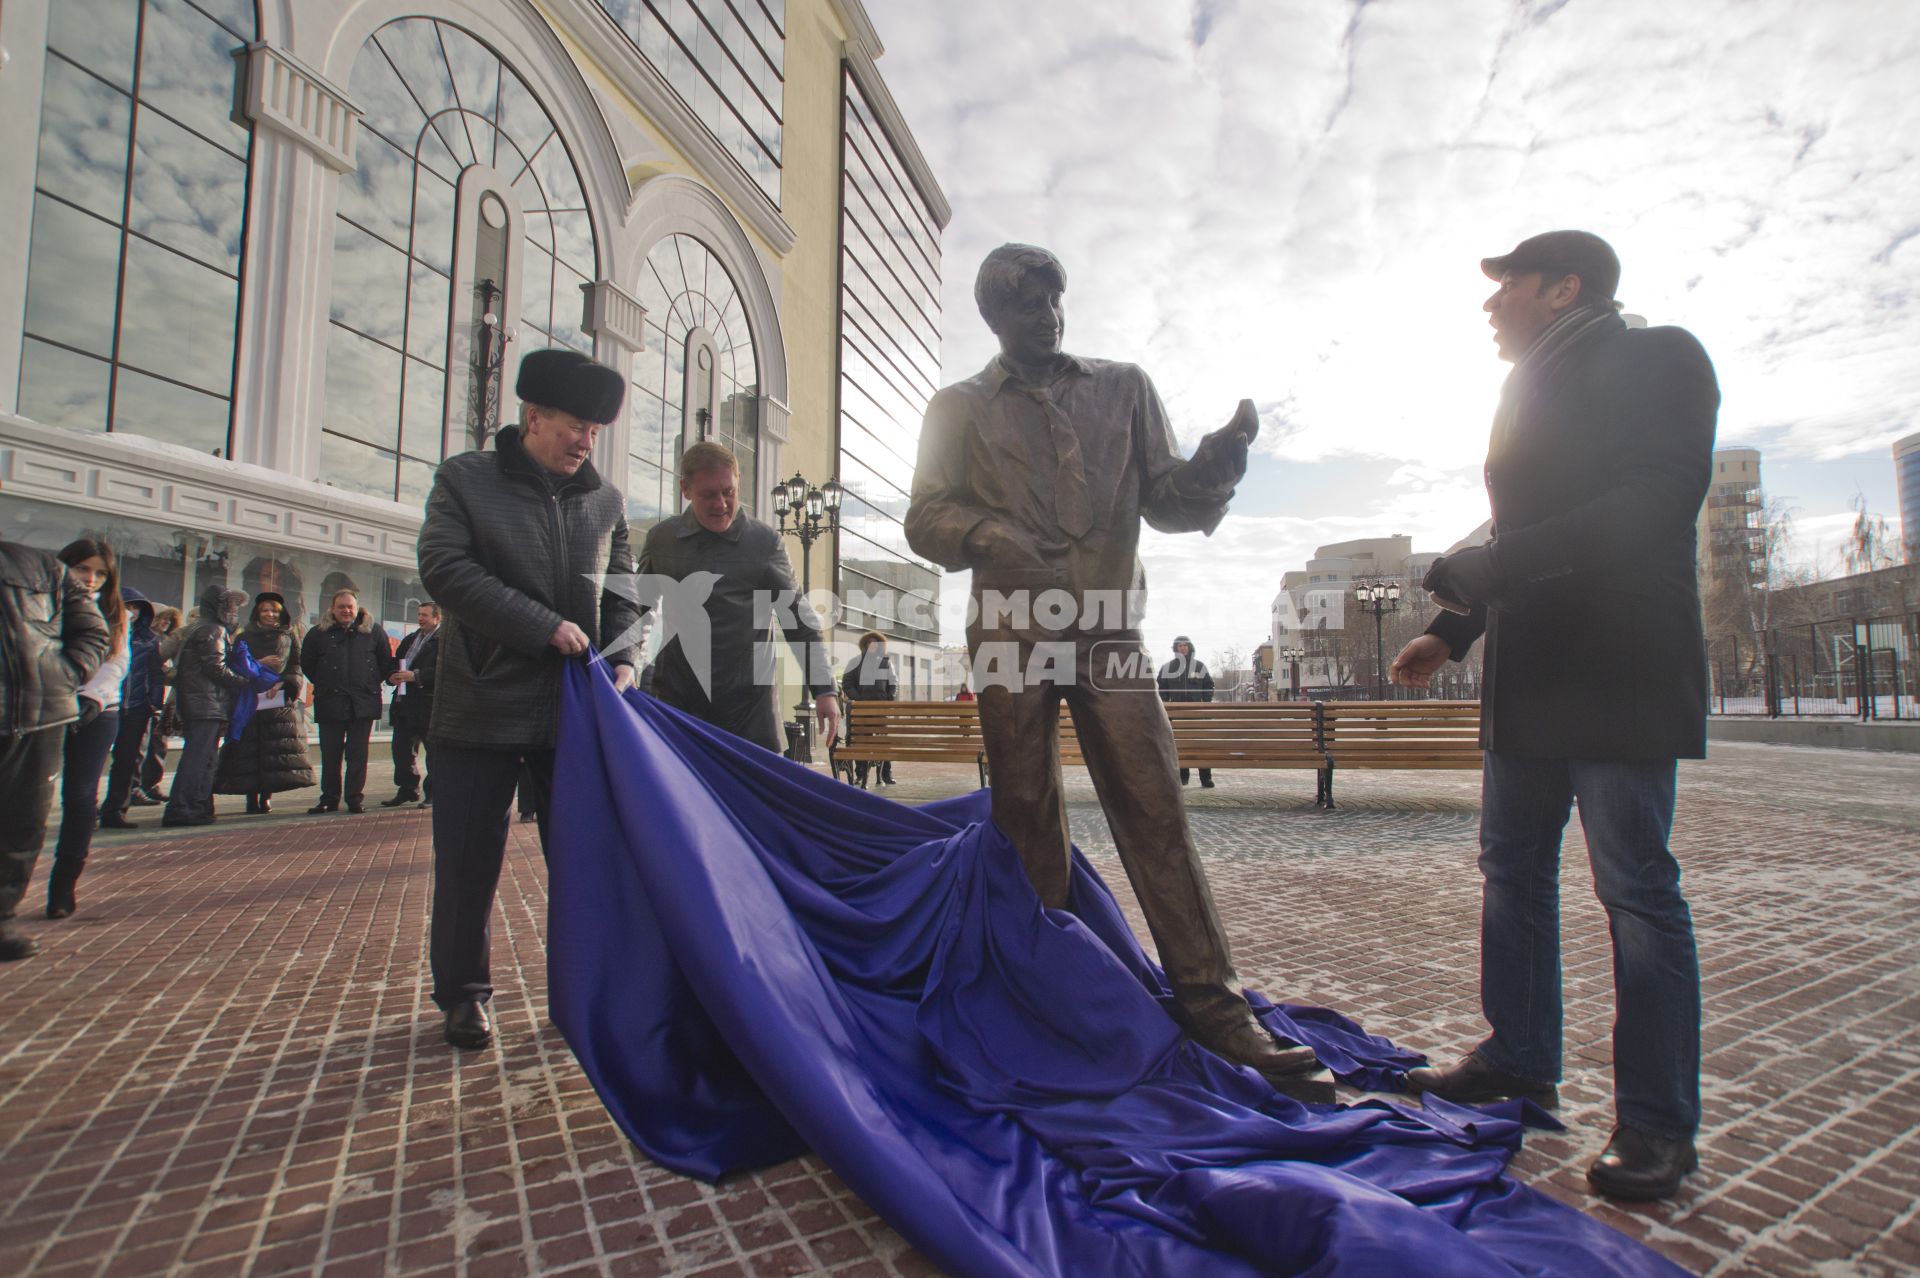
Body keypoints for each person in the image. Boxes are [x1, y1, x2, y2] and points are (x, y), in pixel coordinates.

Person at [904, 243, 1324, 1094]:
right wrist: (984, 535)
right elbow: (924, 516)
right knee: (1024, 813)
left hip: (1107, 631)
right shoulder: (956, 407)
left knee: (1154, 801)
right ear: (994, 318)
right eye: (1028, 306)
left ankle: (1213, 1005)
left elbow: (1166, 497)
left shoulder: (1123, 387)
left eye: (1056, 300)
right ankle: (1048, 997)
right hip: (1012, 629)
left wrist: (1215, 467)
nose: (1049, 316)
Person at [1389, 230, 1718, 1201]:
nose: (1492, 306)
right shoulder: (1520, 390)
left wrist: (1488, 570)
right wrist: (1454, 629)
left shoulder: (1662, 357)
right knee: (1512, 871)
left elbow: (1655, 500)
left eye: (1511, 287)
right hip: (1529, 679)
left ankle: (1658, 1125)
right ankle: (1521, 1056)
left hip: (1621, 670)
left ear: (1566, 287)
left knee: (1636, 893)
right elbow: (1515, 531)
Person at [417, 348, 642, 1051]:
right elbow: (444, 569)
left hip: (572, 717)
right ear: (533, 416)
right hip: (477, 708)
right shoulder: (464, 479)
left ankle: (589, 992)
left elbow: (627, 593)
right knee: (467, 865)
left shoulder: (605, 501)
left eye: (596, 431)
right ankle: (463, 996)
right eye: (576, 425)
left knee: (582, 861)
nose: (585, 441)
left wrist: (625, 658)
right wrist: (542, 626)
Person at [635, 441, 839, 754]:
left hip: (749, 712)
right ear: (685, 490)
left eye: (728, 491)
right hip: (679, 703)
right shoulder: (662, 539)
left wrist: (824, 689)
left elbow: (797, 618)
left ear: (738, 481)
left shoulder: (764, 542)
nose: (722, 504)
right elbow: (636, 612)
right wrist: (625, 668)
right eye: (708, 494)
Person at [0, 537, 109, 959]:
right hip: (41, 707)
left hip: (38, 712)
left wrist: (61, 676)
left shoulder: (42, 566)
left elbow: (93, 631)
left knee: (21, 822)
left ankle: (3, 916)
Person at [37, 540, 129, 921]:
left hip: (97, 711)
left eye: (100, 572)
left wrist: (92, 699)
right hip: (44, 709)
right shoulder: (41, 605)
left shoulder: (113, 613)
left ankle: (63, 884)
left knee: (79, 797)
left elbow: (116, 662)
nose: (90, 579)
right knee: (30, 796)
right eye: (82, 569)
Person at [163, 585, 255, 828]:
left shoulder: (203, 627)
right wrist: (244, 682)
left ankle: (196, 805)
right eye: (231, 605)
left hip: (203, 702)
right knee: (199, 757)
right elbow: (215, 667)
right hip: (205, 703)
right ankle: (184, 807)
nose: (234, 611)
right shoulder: (212, 629)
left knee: (204, 758)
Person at [213, 592, 314, 813]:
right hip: (249, 699)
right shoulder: (244, 636)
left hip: (276, 701)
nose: (270, 614)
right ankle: (251, 795)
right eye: (265, 611)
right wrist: (257, 664)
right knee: (248, 750)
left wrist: (285, 683)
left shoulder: (288, 636)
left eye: (274, 611)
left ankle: (266, 795)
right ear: (257, 613)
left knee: (273, 751)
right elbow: (233, 664)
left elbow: (296, 666)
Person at [299, 588, 395, 815]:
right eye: (341, 607)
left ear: (357, 608)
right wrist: (327, 683)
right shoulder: (318, 633)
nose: (346, 610)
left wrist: (368, 683)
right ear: (333, 609)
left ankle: (354, 798)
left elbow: (385, 662)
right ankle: (329, 798)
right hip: (330, 701)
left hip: (362, 703)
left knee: (357, 755)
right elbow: (308, 664)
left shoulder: (373, 632)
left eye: (350, 606)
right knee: (330, 754)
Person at [98, 589, 164, 829]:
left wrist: (154, 702)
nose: (131, 612)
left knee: (127, 761)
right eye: (127, 606)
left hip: (136, 707)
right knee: (94, 760)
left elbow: (155, 673)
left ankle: (115, 809)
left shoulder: (149, 638)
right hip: (104, 705)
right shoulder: (103, 632)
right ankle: (88, 808)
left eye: (136, 608)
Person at [382, 602, 440, 807]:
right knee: (401, 751)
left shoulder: (443, 641)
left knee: (433, 754)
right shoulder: (409, 639)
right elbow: (395, 662)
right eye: (419, 614)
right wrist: (392, 676)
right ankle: (407, 789)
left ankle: (433, 794)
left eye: (425, 615)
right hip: (404, 704)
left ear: (437, 618)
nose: (420, 618)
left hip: (427, 706)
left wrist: (415, 676)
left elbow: (444, 671)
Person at [135, 606, 186, 804]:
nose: (165, 623)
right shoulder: (144, 639)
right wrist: (173, 674)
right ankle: (135, 787)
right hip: (145, 698)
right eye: (161, 619)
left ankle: (151, 784)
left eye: (168, 620)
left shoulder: (167, 639)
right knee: (140, 745)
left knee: (159, 745)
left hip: (162, 700)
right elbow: (153, 667)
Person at [840, 630, 898, 788]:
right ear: (865, 645)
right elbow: (847, 683)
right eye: (869, 643)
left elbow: (893, 683)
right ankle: (860, 774)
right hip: (861, 710)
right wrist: (859, 699)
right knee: (860, 742)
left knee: (884, 742)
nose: (872, 645)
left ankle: (886, 774)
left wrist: (888, 699)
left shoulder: (886, 662)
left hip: (881, 710)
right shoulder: (855, 661)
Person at [1156, 635, 1215, 788]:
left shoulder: (1199, 666)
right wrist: (1166, 702)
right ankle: (1183, 777)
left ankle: (1205, 777)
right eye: (1179, 646)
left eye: (1185, 645)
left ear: (1190, 647)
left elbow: (1209, 685)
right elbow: (1160, 687)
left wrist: (1205, 701)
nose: (1182, 648)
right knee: (1179, 745)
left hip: (1197, 713)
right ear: (1175, 649)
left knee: (1200, 744)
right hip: (1177, 713)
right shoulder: (1168, 668)